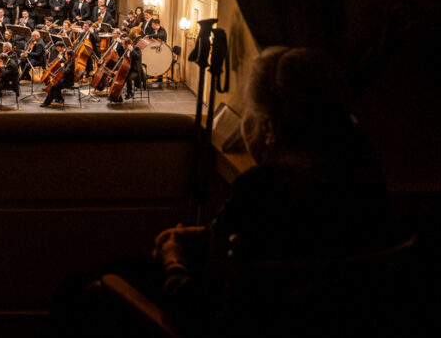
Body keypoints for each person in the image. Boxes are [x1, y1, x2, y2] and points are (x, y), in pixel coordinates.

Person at [52, 46, 396, 337]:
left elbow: (195, 306)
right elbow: (270, 245)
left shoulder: (263, 189)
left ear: (269, 128)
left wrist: (173, 258)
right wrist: (206, 235)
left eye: (250, 112)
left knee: (83, 289)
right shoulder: (364, 177)